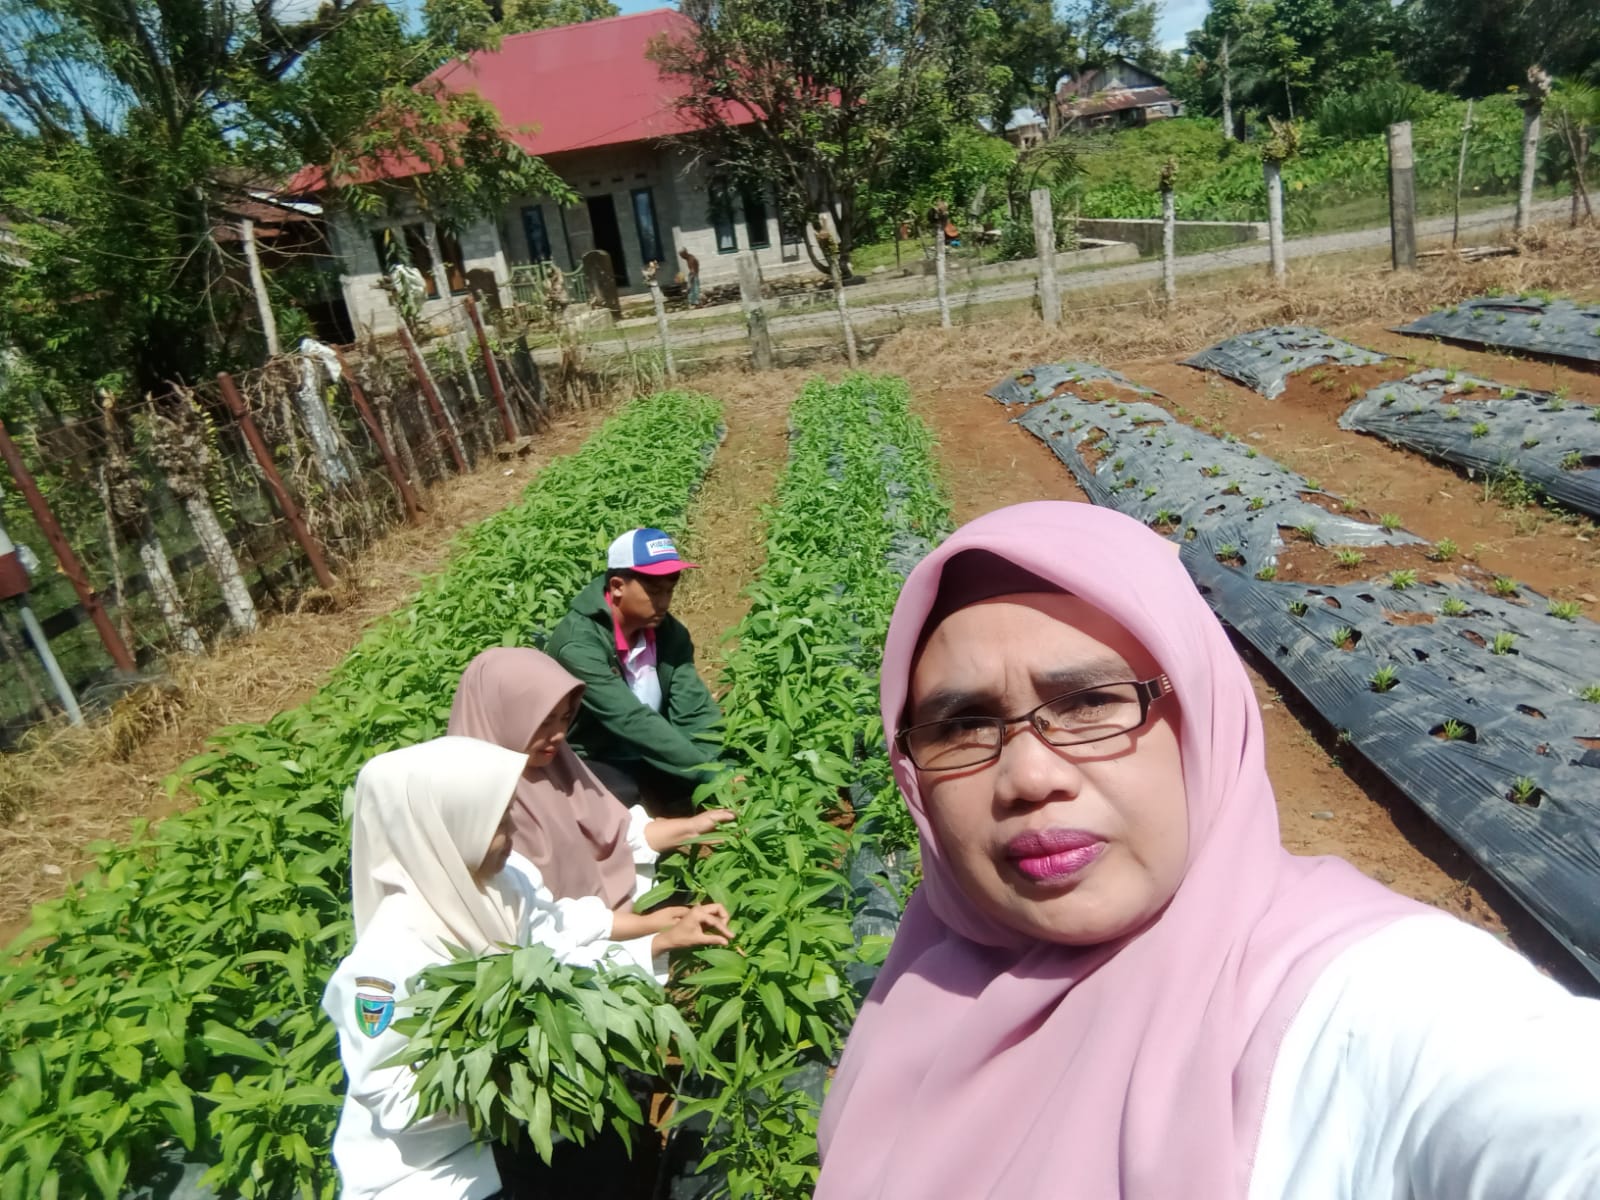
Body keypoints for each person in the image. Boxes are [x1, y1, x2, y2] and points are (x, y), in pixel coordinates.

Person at [816, 501, 1600, 1200]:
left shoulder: (1380, 1004)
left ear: (1200, 709)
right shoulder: (919, 1008)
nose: (1027, 775)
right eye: (961, 725)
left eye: (1090, 702)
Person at [323, 736, 732, 1200]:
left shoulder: (502, 881)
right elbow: (392, 1096)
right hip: (443, 1165)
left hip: (533, 1126)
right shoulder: (388, 959)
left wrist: (658, 942)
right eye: (497, 823)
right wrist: (512, 1076)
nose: (513, 833)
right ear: (444, 834)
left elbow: (561, 953)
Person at [446, 646, 734, 911]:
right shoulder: (472, 802)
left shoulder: (556, 765)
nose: (558, 734)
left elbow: (617, 835)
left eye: (564, 718)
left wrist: (695, 828)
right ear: (500, 714)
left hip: (602, 926)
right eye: (543, 721)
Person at [546, 528, 722, 816]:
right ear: (617, 586)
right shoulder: (578, 644)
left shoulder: (668, 632)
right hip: (592, 756)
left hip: (649, 749)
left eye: (670, 589)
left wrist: (717, 762)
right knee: (624, 796)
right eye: (654, 591)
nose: (665, 602)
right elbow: (629, 719)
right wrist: (708, 774)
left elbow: (693, 707)